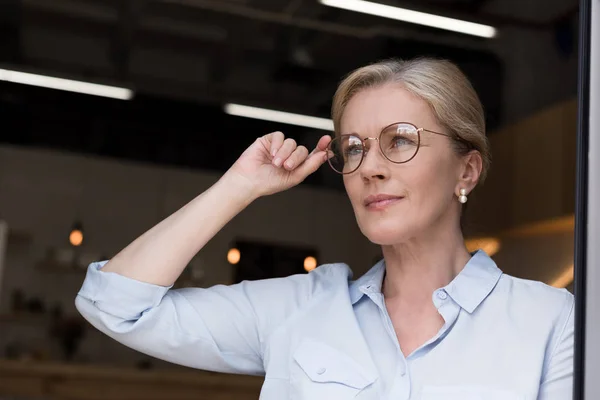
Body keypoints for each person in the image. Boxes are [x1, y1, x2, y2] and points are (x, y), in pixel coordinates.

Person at [75, 58, 574, 399]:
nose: (370, 167)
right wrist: (238, 187)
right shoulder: (297, 310)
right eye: (354, 147)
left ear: (466, 170)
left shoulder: (550, 320)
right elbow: (115, 305)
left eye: (400, 141)